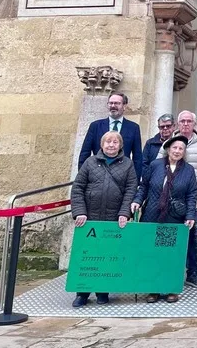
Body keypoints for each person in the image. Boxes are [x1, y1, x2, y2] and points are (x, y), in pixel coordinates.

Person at [70, 131, 137, 307]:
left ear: (120, 145)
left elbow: (131, 190)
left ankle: (102, 291)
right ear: (102, 144)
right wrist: (79, 212)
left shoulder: (127, 164)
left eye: (115, 142)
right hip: (89, 217)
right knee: (87, 255)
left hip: (112, 218)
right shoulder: (90, 162)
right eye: (108, 141)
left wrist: (124, 213)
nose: (111, 145)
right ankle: (82, 293)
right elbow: (78, 188)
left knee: (107, 256)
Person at [131, 135, 197, 303]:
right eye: (174, 148)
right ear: (168, 149)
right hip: (152, 216)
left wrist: (190, 215)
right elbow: (144, 186)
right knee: (152, 253)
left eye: (181, 149)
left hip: (174, 218)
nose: (177, 151)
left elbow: (191, 194)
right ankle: (153, 288)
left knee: (171, 255)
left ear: (184, 152)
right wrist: (137, 201)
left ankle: (171, 289)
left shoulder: (188, 170)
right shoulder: (155, 165)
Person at [158, 111, 197, 286]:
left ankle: (192, 273)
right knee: (168, 238)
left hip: (194, 201)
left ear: (194, 124)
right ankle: (167, 273)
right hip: (168, 201)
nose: (186, 124)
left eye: (189, 121)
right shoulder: (169, 143)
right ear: (177, 124)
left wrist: (195, 192)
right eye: (182, 121)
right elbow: (158, 167)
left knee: (192, 239)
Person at [78, 92, 143, 179]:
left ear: (124, 106)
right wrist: (83, 177)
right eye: (110, 103)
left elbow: (137, 157)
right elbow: (85, 153)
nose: (113, 106)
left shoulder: (133, 128)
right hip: (97, 176)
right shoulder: (95, 126)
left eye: (117, 103)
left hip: (122, 177)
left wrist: (135, 181)